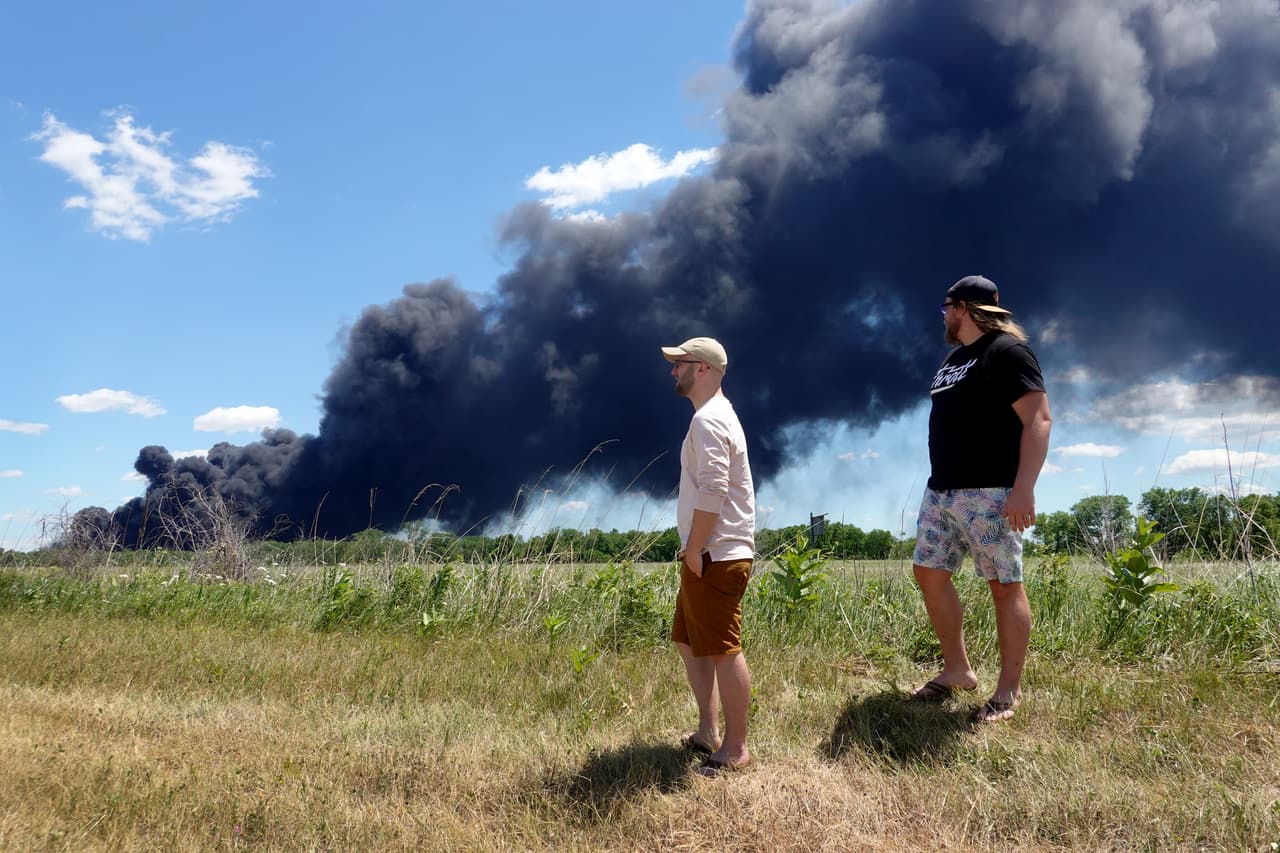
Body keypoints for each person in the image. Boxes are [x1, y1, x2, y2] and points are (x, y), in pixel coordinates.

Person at [910, 275, 1052, 723]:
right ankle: (958, 671)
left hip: (990, 490)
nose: (944, 316)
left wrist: (1023, 487)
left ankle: (1008, 691)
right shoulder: (955, 359)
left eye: (947, 307)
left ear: (964, 308)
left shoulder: (1007, 352)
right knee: (929, 572)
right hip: (943, 490)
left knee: (1003, 584)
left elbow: (1039, 419)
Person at [661, 336, 756, 773]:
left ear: (703, 368)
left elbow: (715, 489)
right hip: (706, 552)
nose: (673, 370)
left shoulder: (709, 420)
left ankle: (735, 750)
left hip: (715, 553)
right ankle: (707, 732)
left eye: (680, 363)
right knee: (688, 641)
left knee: (722, 649)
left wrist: (696, 548)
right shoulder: (714, 416)